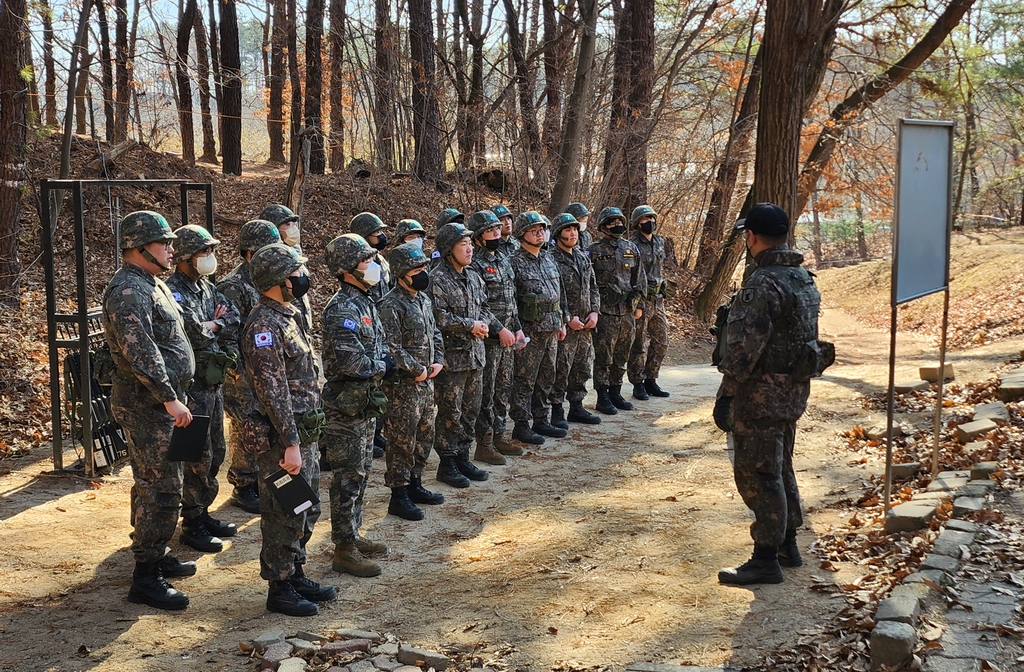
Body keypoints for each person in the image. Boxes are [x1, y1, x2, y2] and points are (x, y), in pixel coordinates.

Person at [714, 203, 827, 586]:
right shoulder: (802, 278)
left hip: (760, 396)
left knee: (759, 474)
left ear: (752, 237)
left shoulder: (763, 283)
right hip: (792, 392)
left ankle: (765, 559)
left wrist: (726, 395)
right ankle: (787, 544)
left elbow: (744, 350)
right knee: (780, 466)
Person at [102, 211, 195, 611]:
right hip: (148, 407)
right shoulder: (128, 291)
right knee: (160, 487)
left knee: (161, 482)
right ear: (140, 248)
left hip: (163, 403)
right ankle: (146, 576)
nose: (172, 250)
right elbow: (140, 351)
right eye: (164, 244)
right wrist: (167, 396)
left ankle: (154, 552)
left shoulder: (150, 284)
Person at [242, 243, 336, 616]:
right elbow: (272, 390)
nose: (302, 278)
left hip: (301, 432)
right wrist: (290, 442)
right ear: (281, 280)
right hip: (283, 438)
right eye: (296, 272)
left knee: (303, 506)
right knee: (284, 510)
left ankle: (294, 571)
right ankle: (279, 588)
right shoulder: (263, 325)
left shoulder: (285, 315)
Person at [320, 234, 395, 578]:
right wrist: (384, 366)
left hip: (364, 404)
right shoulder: (341, 309)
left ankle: (352, 533)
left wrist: (381, 362)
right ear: (347, 270)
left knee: (362, 473)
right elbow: (354, 363)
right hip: (346, 408)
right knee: (347, 477)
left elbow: (376, 348)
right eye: (366, 261)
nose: (373, 266)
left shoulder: (365, 300)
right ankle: (344, 549)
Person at [165, 225, 241, 553]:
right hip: (190, 388)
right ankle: (191, 522)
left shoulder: (206, 288)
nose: (211, 257)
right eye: (204, 252)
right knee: (194, 455)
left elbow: (233, 316)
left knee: (216, 452)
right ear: (184, 258)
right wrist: (213, 325)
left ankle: (202, 511)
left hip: (212, 383)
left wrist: (216, 323)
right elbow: (191, 332)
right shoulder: (173, 291)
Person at [378, 243, 447, 521]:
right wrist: (416, 369)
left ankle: (416, 483)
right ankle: (399, 494)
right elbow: (390, 346)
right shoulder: (389, 305)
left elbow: (435, 333)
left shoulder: (424, 299)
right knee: (401, 441)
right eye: (416, 270)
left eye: (423, 268)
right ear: (401, 274)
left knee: (424, 435)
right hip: (403, 387)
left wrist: (438, 360)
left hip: (426, 382)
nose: (422, 274)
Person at [217, 219, 282, 514]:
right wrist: (241, 372)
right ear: (250, 251)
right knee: (247, 428)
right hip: (244, 376)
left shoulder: (271, 280)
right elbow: (227, 334)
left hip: (270, 371)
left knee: (272, 427)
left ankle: (268, 482)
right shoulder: (233, 286)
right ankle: (244, 485)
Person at [428, 222, 499, 487]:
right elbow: (437, 317)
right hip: (452, 360)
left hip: (475, 357)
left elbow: (485, 307)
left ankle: (463, 457)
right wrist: (470, 325)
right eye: (463, 244)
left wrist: (483, 323)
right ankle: (447, 464)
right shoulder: (437, 279)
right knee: (450, 413)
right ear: (449, 250)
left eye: (470, 244)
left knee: (471, 410)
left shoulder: (474, 276)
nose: (469, 249)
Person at [467, 209, 524, 463]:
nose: (496, 234)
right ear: (478, 236)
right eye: (490, 231)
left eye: (498, 230)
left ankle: (500, 434)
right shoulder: (475, 264)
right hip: (490, 339)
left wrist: (517, 327)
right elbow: (480, 306)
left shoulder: (502, 257)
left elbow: (511, 297)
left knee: (503, 389)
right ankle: (485, 442)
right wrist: (500, 328)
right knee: (486, 393)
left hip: (508, 337)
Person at [508, 211, 569, 445]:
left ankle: (541, 419)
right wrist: (517, 329)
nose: (540, 233)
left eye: (542, 229)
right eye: (534, 230)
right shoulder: (514, 261)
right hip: (530, 329)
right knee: (525, 379)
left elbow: (559, 292)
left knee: (547, 376)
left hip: (552, 327)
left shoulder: (548, 258)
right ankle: (521, 424)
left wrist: (562, 319)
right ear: (522, 234)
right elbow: (510, 299)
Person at [589, 207, 647, 415]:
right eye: (612, 222)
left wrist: (639, 305)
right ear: (603, 226)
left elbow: (640, 279)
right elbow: (589, 283)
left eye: (619, 222)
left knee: (622, 355)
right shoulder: (594, 250)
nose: (617, 226)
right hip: (605, 312)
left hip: (627, 312)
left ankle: (616, 391)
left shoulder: (631, 248)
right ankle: (602, 396)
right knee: (604, 356)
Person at [349, 212, 395, 460]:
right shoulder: (358, 266)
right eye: (376, 233)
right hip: (366, 328)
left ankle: (377, 430)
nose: (382, 237)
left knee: (381, 384)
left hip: (380, 327)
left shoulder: (382, 261)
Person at [549, 213, 601, 426]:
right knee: (561, 369)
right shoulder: (551, 258)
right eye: (567, 230)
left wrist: (595, 312)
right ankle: (556, 409)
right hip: (566, 326)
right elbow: (554, 294)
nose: (572, 233)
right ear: (558, 233)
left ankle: (577, 407)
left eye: (575, 230)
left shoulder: (582, 256)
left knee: (582, 367)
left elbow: (594, 287)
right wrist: (567, 318)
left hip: (586, 326)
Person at [627, 205, 671, 401]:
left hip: (658, 300)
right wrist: (636, 302)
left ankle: (651, 379)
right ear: (637, 223)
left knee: (662, 340)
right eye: (645, 219)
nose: (649, 222)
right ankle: (638, 383)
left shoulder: (660, 242)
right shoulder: (631, 245)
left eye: (652, 218)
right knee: (638, 343)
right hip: (642, 301)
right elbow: (629, 275)